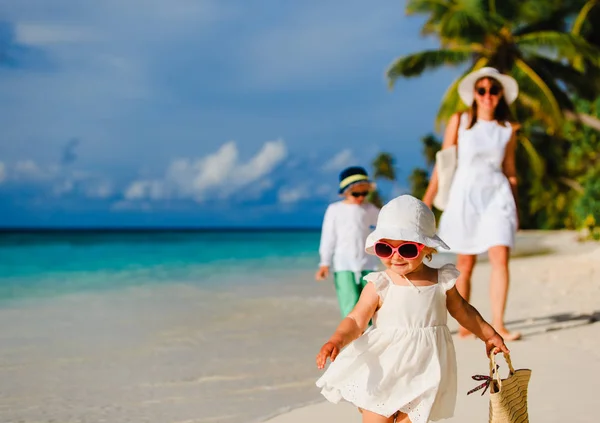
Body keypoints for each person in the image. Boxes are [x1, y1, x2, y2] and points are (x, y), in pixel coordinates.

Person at [315, 195, 509, 423]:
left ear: (427, 247)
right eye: (385, 249)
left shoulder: (441, 280)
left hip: (426, 371)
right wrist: (336, 340)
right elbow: (357, 320)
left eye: (407, 249)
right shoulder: (380, 283)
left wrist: (488, 334)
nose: (395, 257)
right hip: (383, 369)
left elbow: (463, 311)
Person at [422, 67, 522, 341]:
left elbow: (510, 169)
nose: (488, 95)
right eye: (482, 90)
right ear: (474, 95)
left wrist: (516, 206)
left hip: (497, 197)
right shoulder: (460, 120)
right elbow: (443, 164)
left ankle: (499, 324)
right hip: (465, 197)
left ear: (501, 95)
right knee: (465, 264)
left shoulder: (508, 130)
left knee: (500, 258)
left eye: (493, 90)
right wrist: (426, 202)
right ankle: (466, 323)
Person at [316, 166, 380, 318]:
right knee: (349, 303)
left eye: (364, 193)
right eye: (355, 193)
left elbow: (385, 227)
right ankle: (353, 339)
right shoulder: (335, 209)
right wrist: (324, 263)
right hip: (343, 265)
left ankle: (371, 337)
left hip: (368, 264)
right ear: (345, 191)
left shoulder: (370, 209)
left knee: (370, 304)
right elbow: (328, 237)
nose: (360, 197)